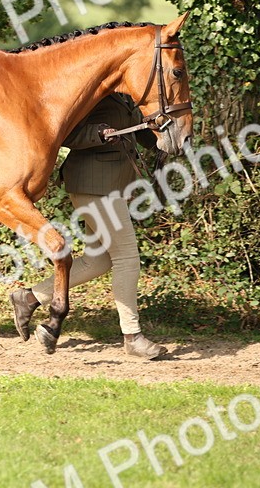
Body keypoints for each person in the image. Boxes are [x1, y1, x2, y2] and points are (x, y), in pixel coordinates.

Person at [9, 93, 166, 359]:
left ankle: (29, 297)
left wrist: (165, 134)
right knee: (127, 257)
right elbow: (65, 132)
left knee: (98, 261)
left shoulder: (128, 96)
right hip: (93, 185)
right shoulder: (92, 94)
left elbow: (143, 135)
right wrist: (99, 133)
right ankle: (132, 336)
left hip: (112, 186)